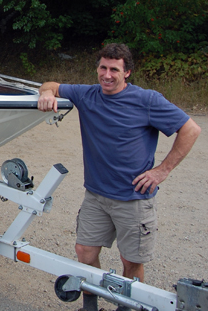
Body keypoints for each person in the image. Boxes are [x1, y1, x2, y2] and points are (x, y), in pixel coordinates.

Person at [37, 43, 201, 311]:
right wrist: (45, 93)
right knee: (84, 252)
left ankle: (129, 308)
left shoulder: (147, 100)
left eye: (115, 69)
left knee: (131, 262)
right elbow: (50, 84)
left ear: (127, 73)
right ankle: (91, 306)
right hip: (96, 196)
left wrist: (162, 170)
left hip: (133, 199)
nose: (107, 75)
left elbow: (191, 129)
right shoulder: (87, 95)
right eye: (103, 68)